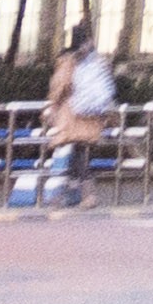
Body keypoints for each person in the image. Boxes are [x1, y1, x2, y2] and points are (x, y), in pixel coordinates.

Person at [47, 36, 121, 207]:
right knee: (76, 155)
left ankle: (87, 196)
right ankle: (72, 195)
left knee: (77, 155)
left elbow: (61, 86)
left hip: (74, 116)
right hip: (92, 115)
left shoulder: (68, 62)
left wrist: (52, 106)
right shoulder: (95, 63)